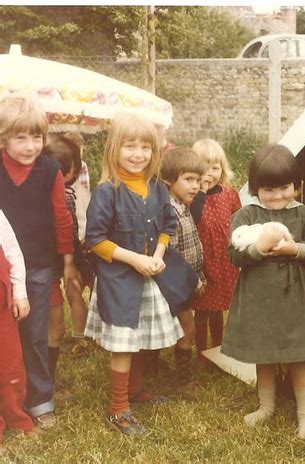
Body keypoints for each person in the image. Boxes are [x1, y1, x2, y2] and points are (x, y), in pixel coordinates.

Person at [84, 112, 183, 436]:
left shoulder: (156, 188)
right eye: (130, 146)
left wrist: (155, 256)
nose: (138, 154)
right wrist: (134, 260)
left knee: (141, 340)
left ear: (155, 152)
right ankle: (118, 408)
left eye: (145, 147)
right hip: (119, 281)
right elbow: (95, 240)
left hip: (148, 275)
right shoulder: (106, 191)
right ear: (115, 149)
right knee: (124, 344)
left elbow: (168, 225)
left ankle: (135, 390)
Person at [221, 144, 305, 439]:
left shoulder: (303, 215)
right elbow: (234, 256)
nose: (278, 196)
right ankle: (266, 405)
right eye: (269, 189)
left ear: (297, 185)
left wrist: (296, 249)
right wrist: (258, 248)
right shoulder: (246, 215)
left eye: (285, 187)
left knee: (299, 356)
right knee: (264, 355)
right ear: (255, 189)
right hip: (259, 298)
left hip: (294, 299)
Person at [0, 93, 78, 430]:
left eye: (37, 137)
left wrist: (69, 262)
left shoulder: (50, 171)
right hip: (2, 270)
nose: (31, 145)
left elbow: (62, 218)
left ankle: (40, 399)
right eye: (21, 137)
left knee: (34, 335)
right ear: (4, 137)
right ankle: (8, 402)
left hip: (39, 267)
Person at [42, 136, 91, 395]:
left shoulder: (69, 197)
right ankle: (45, 383)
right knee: (53, 327)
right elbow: (69, 236)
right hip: (48, 269)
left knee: (51, 327)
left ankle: (46, 381)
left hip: (55, 266)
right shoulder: (65, 197)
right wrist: (75, 265)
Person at [160, 146, 207, 398]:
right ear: (169, 180)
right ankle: (184, 382)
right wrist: (193, 281)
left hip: (187, 281)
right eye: (188, 179)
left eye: (198, 180)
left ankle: (154, 364)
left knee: (174, 328)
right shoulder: (169, 211)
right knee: (187, 330)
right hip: (177, 285)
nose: (195, 186)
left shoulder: (183, 206)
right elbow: (173, 255)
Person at [190, 139, 241, 360]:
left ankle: (218, 350)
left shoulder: (229, 194)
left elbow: (238, 219)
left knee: (218, 308)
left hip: (223, 260)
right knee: (201, 309)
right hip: (203, 261)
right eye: (204, 167)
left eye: (215, 167)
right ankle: (201, 351)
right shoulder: (192, 197)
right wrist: (201, 191)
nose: (210, 173)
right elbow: (195, 217)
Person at [0, 210, 40, 453]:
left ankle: (17, 417)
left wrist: (19, 293)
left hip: (2, 305)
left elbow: (12, 250)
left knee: (11, 365)